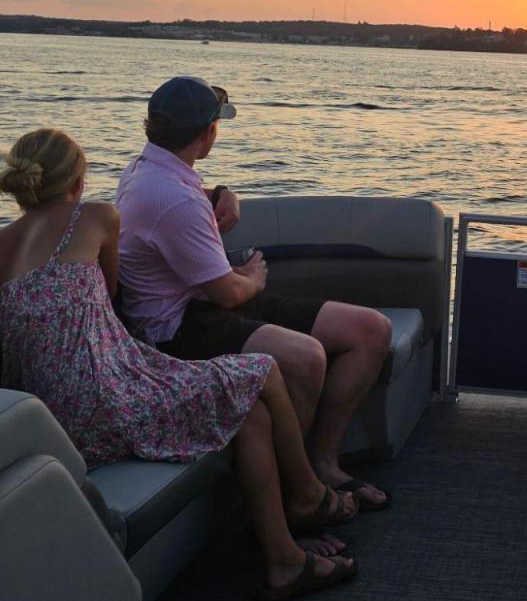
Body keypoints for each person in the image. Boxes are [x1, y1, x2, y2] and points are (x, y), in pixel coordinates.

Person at [0, 128, 359, 601]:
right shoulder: (95, 217)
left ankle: (285, 563)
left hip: (53, 416)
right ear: (78, 182)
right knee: (264, 371)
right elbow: (108, 295)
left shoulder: (3, 243)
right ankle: (308, 494)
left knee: (250, 414)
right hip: (109, 401)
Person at [115, 76, 394, 510]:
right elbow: (228, 294)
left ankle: (323, 463)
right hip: (178, 328)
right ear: (208, 132)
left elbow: (188, 203)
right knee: (306, 357)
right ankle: (294, 497)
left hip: (207, 303)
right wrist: (254, 279)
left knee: (370, 331)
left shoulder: (148, 169)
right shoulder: (171, 197)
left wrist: (224, 193)